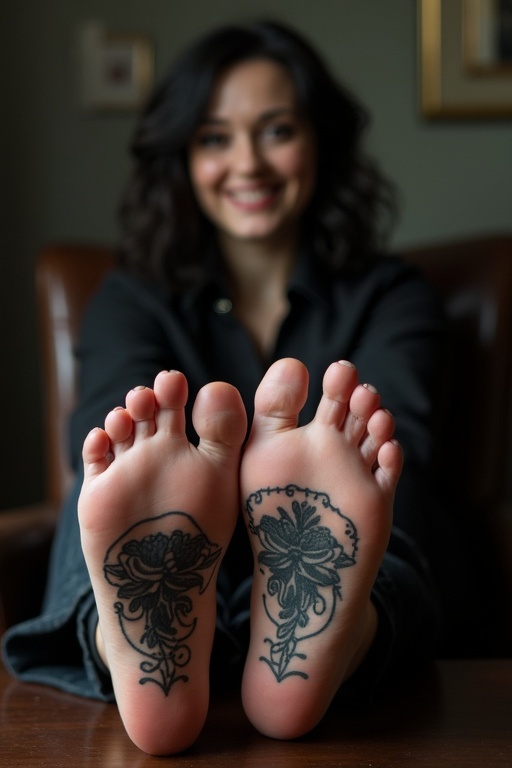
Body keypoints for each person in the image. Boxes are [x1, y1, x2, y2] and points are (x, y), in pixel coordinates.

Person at [3, 19, 447, 755]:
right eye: (214, 138)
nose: (247, 163)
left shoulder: (393, 296)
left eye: (275, 131)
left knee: (394, 486)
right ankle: (133, 646)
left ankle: (343, 634)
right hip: (203, 563)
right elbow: (104, 429)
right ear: (182, 157)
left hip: (344, 560)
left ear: (319, 142)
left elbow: (408, 444)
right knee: (110, 483)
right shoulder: (131, 300)